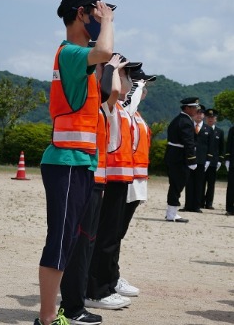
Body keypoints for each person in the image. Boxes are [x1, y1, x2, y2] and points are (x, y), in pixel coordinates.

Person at [34, 0, 115, 325]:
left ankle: (63, 310)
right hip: (65, 162)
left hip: (78, 161)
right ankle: (47, 318)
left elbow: (107, 88)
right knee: (60, 239)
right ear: (81, 13)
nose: (102, 19)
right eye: (96, 13)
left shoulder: (80, 58)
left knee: (71, 240)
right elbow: (106, 51)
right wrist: (107, 23)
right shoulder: (69, 53)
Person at [59, 54, 125, 325]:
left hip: (96, 181)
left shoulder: (101, 108)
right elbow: (111, 89)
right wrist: (107, 66)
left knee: (85, 245)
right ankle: (72, 306)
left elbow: (116, 90)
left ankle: (76, 303)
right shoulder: (88, 101)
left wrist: (111, 68)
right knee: (77, 245)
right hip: (84, 179)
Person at [85, 57, 144, 309]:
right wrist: (111, 67)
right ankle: (96, 290)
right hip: (108, 178)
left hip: (121, 177)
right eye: (124, 74)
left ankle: (107, 285)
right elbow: (113, 91)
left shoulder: (121, 109)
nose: (127, 79)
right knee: (105, 237)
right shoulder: (105, 104)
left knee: (111, 236)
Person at [115, 68, 156, 297]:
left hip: (135, 181)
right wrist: (135, 89)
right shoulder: (124, 109)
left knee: (118, 233)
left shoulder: (135, 113)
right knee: (111, 233)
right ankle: (105, 275)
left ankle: (110, 273)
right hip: (124, 178)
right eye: (140, 82)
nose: (144, 87)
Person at [164, 97, 199, 223]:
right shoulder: (185, 121)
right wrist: (192, 160)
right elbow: (188, 142)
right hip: (179, 157)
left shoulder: (181, 119)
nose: (196, 109)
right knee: (177, 184)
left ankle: (171, 212)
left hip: (174, 155)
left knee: (175, 184)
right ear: (187, 108)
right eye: (194, 107)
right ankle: (171, 214)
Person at [180, 105, 214, 213]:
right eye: (197, 113)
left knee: (199, 183)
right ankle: (188, 205)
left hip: (201, 160)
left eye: (201, 113)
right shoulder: (189, 126)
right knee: (188, 182)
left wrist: (208, 159)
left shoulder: (208, 129)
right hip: (190, 159)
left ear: (203, 115)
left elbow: (211, 145)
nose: (199, 115)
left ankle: (196, 206)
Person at [202, 108, 224, 210]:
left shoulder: (219, 132)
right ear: (206, 118)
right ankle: (200, 201)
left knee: (211, 184)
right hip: (202, 160)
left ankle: (209, 203)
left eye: (213, 117)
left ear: (216, 119)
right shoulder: (202, 129)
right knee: (201, 182)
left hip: (214, 161)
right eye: (209, 117)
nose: (211, 119)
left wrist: (220, 160)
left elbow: (221, 147)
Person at [225, 125, 234, 216]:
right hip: (233, 162)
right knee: (231, 186)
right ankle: (230, 208)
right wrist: (227, 158)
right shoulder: (232, 129)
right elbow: (229, 144)